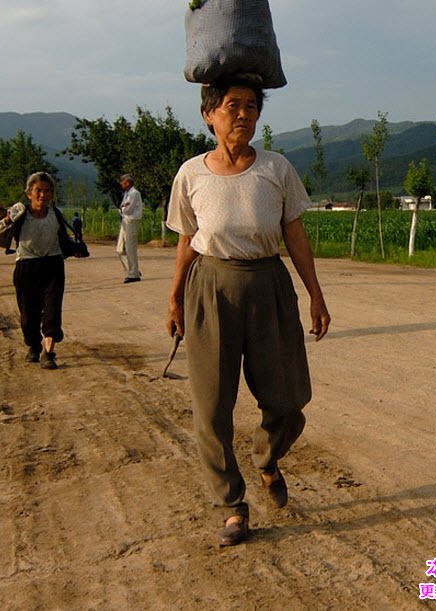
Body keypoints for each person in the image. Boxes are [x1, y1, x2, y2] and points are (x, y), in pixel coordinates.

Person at [166, 76, 331, 547]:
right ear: (208, 114)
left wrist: (315, 295)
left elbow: (295, 236)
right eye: (233, 105)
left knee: (288, 399)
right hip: (211, 287)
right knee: (212, 407)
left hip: (268, 285)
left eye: (252, 106)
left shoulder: (277, 169)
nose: (244, 114)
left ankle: (266, 455)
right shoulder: (191, 174)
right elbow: (185, 241)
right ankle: (231, 506)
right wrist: (175, 297)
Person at [0, 172, 71, 370]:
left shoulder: (56, 214)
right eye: (38, 191)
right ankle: (34, 345)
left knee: (52, 309)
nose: (43, 195)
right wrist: (8, 220)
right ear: (29, 194)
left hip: (53, 265)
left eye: (47, 191)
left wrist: (74, 249)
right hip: (27, 266)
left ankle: (48, 352)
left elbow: (64, 238)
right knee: (28, 314)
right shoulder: (20, 214)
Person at [116, 173, 142, 283]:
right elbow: (122, 206)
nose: (121, 185)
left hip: (131, 221)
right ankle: (133, 269)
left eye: (122, 183)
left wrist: (122, 208)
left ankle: (133, 273)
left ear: (127, 183)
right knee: (120, 249)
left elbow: (128, 209)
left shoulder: (134, 193)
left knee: (130, 248)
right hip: (125, 221)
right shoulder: (127, 194)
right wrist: (123, 208)